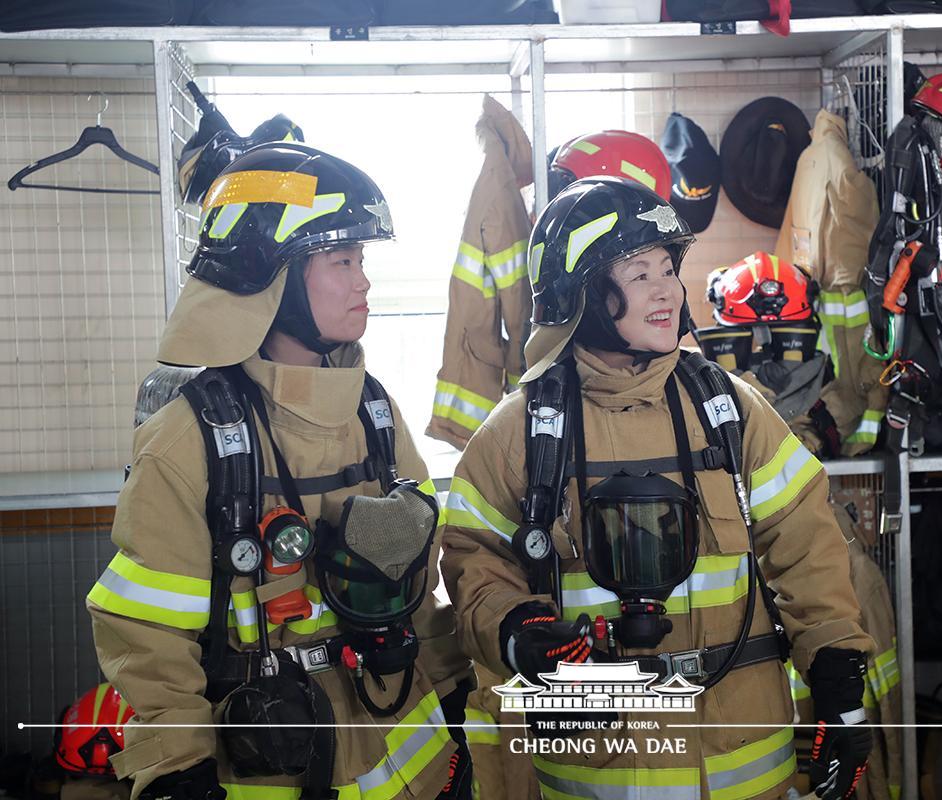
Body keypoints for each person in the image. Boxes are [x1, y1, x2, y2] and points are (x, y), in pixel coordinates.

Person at [442, 176, 875, 800]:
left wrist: (839, 681)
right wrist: (518, 631)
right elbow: (471, 562)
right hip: (599, 774)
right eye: (638, 271)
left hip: (744, 771)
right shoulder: (522, 432)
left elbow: (807, 548)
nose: (667, 289)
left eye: (669, 268)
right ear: (581, 289)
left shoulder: (730, 411)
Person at [87, 143, 472, 800]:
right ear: (273, 272)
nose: (364, 281)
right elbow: (146, 634)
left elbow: (418, 585)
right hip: (269, 764)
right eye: (342, 259)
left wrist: (456, 692)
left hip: (411, 756)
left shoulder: (374, 410)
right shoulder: (189, 439)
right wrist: (177, 767)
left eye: (363, 260)